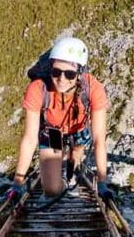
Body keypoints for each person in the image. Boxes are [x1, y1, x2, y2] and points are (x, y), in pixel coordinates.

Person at [7, 36, 113, 204]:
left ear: (80, 73)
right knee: (51, 190)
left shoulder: (94, 89)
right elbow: (29, 138)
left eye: (69, 74)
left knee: (74, 156)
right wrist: (18, 182)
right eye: (56, 72)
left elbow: (99, 138)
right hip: (53, 131)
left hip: (78, 128)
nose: (61, 79)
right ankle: (63, 182)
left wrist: (102, 181)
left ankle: (71, 171)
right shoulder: (38, 88)